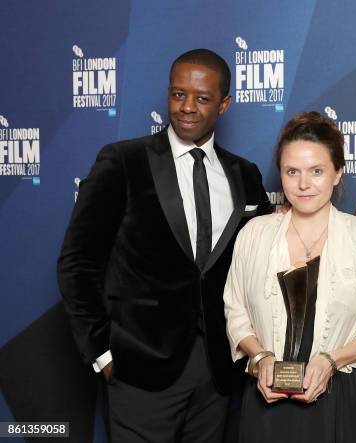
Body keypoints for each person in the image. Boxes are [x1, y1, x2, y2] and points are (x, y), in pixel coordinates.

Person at [57, 48, 272, 442]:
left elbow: (258, 267)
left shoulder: (245, 175)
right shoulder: (123, 160)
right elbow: (78, 263)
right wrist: (102, 353)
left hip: (217, 373)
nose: (187, 107)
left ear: (224, 104)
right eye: (178, 94)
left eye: (202, 98)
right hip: (139, 369)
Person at [223, 112, 356, 443]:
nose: (304, 184)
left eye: (316, 171)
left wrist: (331, 360)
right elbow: (236, 313)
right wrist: (261, 358)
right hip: (266, 401)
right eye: (292, 172)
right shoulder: (253, 234)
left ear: (337, 173)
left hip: (341, 400)